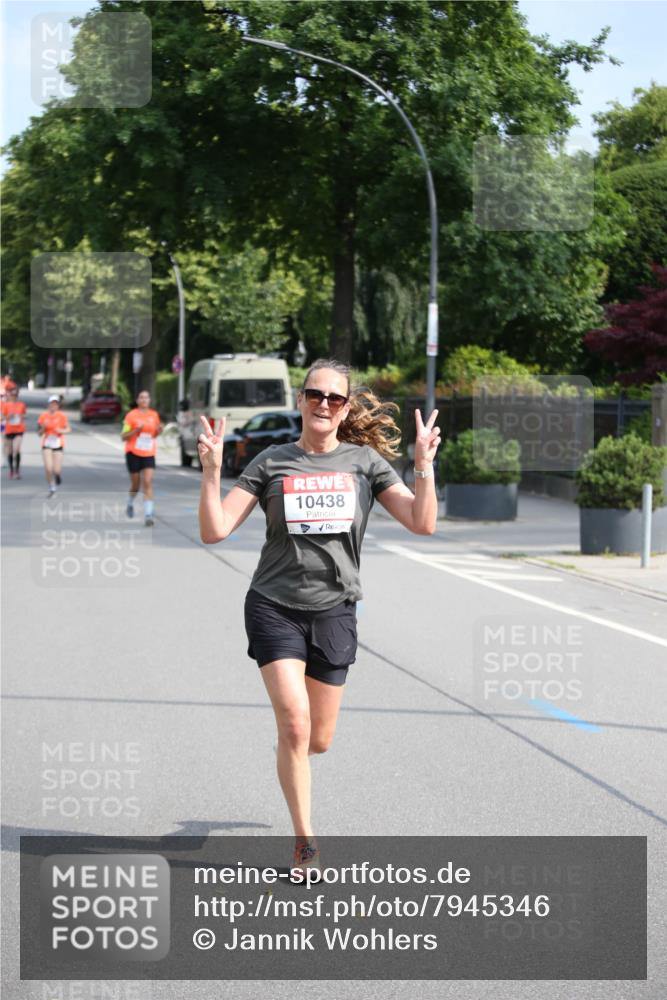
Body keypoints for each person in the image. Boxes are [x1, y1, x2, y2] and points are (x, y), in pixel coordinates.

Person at [197, 358, 440, 876]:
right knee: (294, 723)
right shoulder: (272, 462)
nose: (324, 404)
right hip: (273, 606)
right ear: (300, 400)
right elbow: (215, 530)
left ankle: (294, 755)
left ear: (345, 408)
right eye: (315, 395)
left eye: (334, 398)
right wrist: (212, 472)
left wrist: (423, 465)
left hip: (333, 611)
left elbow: (422, 523)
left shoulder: (365, 463)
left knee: (318, 740)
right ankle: (305, 843)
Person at [121, 390, 163, 527]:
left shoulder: (154, 415)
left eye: (146, 397)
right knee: (136, 485)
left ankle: (148, 515)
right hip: (133, 452)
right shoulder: (131, 416)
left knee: (148, 482)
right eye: (141, 397)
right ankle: (130, 502)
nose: (144, 400)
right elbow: (123, 436)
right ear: (137, 400)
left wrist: (159, 430)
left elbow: (154, 434)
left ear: (149, 400)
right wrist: (135, 430)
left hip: (149, 453)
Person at [37, 394, 71, 496]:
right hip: (47, 444)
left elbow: (68, 429)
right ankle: (52, 486)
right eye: (51, 404)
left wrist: (61, 430)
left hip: (58, 444)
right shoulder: (43, 416)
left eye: (55, 404)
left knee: (56, 470)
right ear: (48, 405)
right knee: (48, 468)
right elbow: (39, 433)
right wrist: (43, 428)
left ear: (58, 405)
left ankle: (57, 476)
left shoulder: (62, 416)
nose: (53, 406)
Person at [2, 385, 27, 479]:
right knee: (10, 451)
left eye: (15, 395)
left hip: (19, 430)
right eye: (12, 394)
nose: (14, 396)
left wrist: (22, 416)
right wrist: (8, 417)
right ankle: (11, 470)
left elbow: (25, 415)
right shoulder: (5, 405)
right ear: (9, 395)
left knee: (16, 450)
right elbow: (1, 417)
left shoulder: (21, 405)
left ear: (17, 395)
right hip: (8, 430)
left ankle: (17, 470)